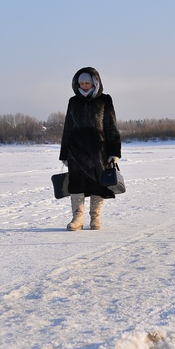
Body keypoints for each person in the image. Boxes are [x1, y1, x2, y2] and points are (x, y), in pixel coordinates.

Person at [59, 67, 121, 231]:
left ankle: (95, 218)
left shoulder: (104, 100)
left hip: (98, 150)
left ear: (95, 82)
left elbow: (111, 127)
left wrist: (114, 152)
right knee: (76, 184)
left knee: (98, 184)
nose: (84, 86)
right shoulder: (73, 101)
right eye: (81, 83)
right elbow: (67, 128)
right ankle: (77, 218)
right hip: (76, 150)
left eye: (87, 82)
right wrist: (64, 153)